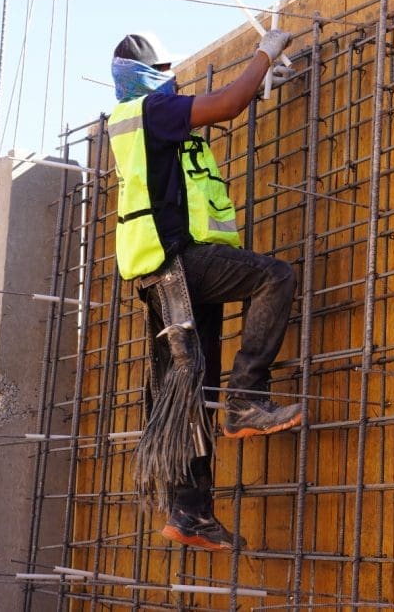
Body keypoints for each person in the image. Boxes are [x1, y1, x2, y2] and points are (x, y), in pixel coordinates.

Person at [108, 30, 301, 551]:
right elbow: (227, 104)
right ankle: (246, 399)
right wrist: (264, 54)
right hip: (179, 261)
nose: (171, 77)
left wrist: (261, 81)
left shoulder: (143, 120)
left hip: (161, 270)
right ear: (146, 75)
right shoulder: (151, 111)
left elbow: (212, 115)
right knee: (274, 276)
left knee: (188, 389)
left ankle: (190, 511)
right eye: (163, 69)